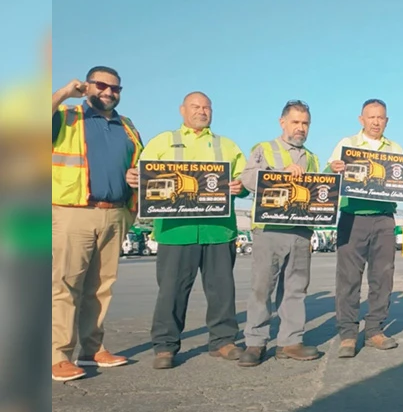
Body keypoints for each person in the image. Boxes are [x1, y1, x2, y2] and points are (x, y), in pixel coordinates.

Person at [126, 92, 248, 369]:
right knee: (171, 291)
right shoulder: (162, 142)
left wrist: (241, 186)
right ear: (182, 110)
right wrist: (134, 177)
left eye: (207, 107)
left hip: (218, 230)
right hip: (175, 230)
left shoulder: (227, 145)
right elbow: (142, 175)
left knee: (221, 290)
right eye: (196, 106)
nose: (202, 111)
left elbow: (244, 179)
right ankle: (165, 346)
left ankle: (223, 341)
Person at [51, 66, 143, 381]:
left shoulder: (127, 126)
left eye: (115, 88)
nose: (108, 92)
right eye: (101, 85)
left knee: (101, 287)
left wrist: (135, 177)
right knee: (66, 285)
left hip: (115, 212)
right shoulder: (66, 117)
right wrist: (64, 93)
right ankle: (58, 355)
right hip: (74, 210)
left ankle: (92, 349)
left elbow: (139, 165)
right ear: (87, 86)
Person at [237, 100, 322, 367]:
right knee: (262, 287)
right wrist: (279, 173)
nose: (300, 128)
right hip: (269, 229)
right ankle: (255, 342)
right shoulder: (264, 149)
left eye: (305, 123)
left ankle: (290, 342)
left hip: (299, 231)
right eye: (295, 122)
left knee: (296, 287)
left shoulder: (312, 157)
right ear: (282, 122)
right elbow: (247, 179)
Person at [326, 99, 403, 358]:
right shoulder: (347, 144)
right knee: (348, 278)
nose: (375, 122)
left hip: (384, 218)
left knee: (382, 277)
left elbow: (400, 180)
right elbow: (327, 179)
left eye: (380, 117)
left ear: (387, 121)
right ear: (361, 119)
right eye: (371, 117)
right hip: (353, 217)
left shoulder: (394, 149)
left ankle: (374, 331)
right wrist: (332, 168)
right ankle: (348, 334)